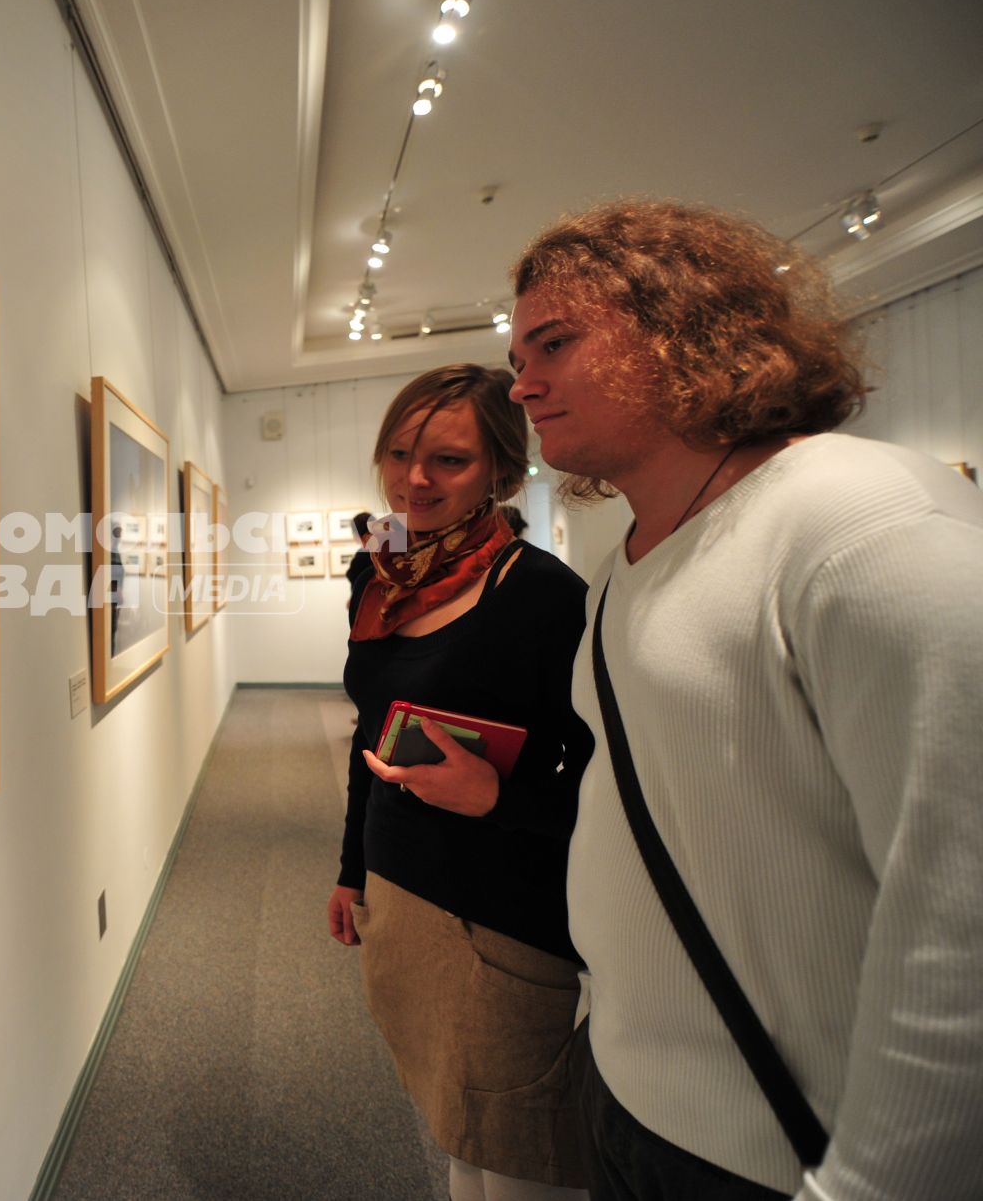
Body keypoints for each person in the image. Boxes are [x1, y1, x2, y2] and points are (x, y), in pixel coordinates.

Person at [506, 200, 983, 1201]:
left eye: (555, 340)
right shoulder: (621, 569)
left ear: (686, 328)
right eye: (520, 353)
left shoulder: (863, 522)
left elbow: (960, 904)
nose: (523, 382)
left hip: (789, 1154)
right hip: (631, 1097)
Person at [327, 364, 596, 1201]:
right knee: (457, 1131)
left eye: (448, 460)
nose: (414, 478)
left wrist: (496, 797)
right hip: (401, 886)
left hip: (502, 909)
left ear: (503, 473)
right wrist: (349, 869)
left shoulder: (544, 595)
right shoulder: (377, 576)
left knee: (521, 1150)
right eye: (400, 453)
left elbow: (607, 781)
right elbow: (369, 734)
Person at [343, 508, 376, 626]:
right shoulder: (383, 551)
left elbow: (359, 581)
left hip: (366, 610)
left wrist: (354, 599)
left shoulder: (363, 555)